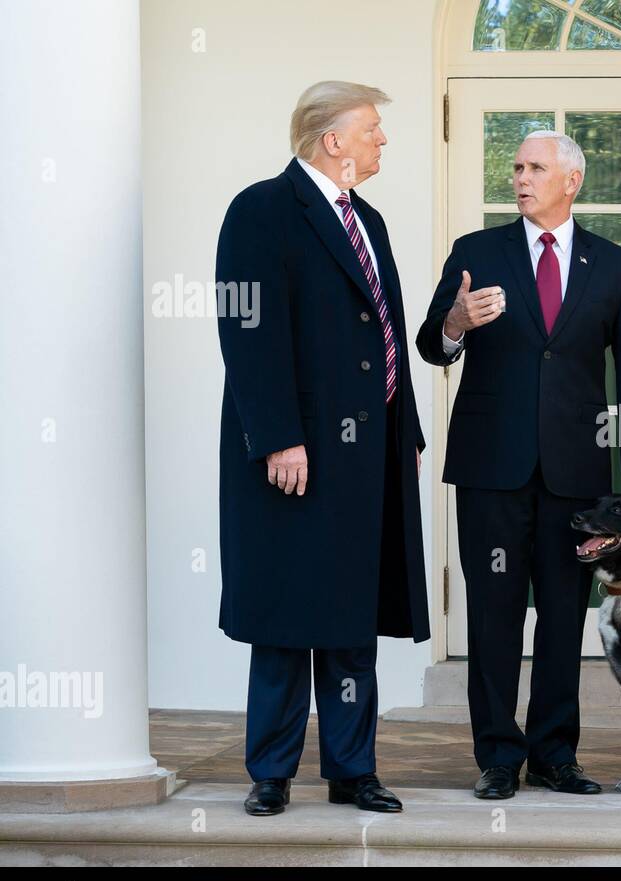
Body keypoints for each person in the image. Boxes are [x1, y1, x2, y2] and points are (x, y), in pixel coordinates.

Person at [417, 130, 621, 800]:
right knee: (494, 614)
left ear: (571, 181)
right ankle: (499, 756)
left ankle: (556, 755)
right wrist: (456, 322)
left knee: (562, 617)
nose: (521, 178)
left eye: (535, 168)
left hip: (575, 477)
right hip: (490, 469)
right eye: (517, 167)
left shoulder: (613, 266)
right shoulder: (477, 253)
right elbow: (430, 348)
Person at [216, 81, 429, 816]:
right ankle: (270, 773)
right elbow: (246, 331)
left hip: (366, 455)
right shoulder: (261, 210)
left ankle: (352, 769)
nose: (382, 141)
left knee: (348, 616)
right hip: (295, 453)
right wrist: (278, 436)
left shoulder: (366, 217)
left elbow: (388, 335)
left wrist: (409, 432)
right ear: (330, 139)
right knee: (284, 615)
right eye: (371, 129)